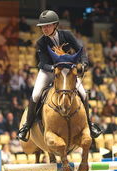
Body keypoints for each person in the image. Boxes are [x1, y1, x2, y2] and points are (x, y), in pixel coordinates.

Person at [17, 10, 102, 141]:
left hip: (66, 72)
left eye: (47, 26)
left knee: (83, 94)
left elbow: (81, 49)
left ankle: (89, 125)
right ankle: (27, 127)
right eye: (42, 27)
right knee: (35, 95)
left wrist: (84, 62)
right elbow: (43, 63)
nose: (44, 29)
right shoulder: (41, 42)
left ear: (55, 25)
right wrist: (55, 68)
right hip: (48, 71)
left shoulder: (67, 35)